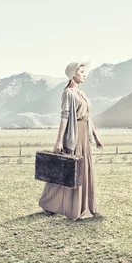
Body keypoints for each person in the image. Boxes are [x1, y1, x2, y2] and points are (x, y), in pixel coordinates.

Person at [38, 56, 104, 220]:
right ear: (73, 74)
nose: (84, 74)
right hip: (73, 135)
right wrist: (59, 141)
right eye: (81, 72)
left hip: (84, 134)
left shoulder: (81, 93)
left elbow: (89, 117)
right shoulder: (68, 93)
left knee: (83, 170)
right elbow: (64, 117)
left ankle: (86, 207)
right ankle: (49, 204)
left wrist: (96, 137)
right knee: (66, 172)